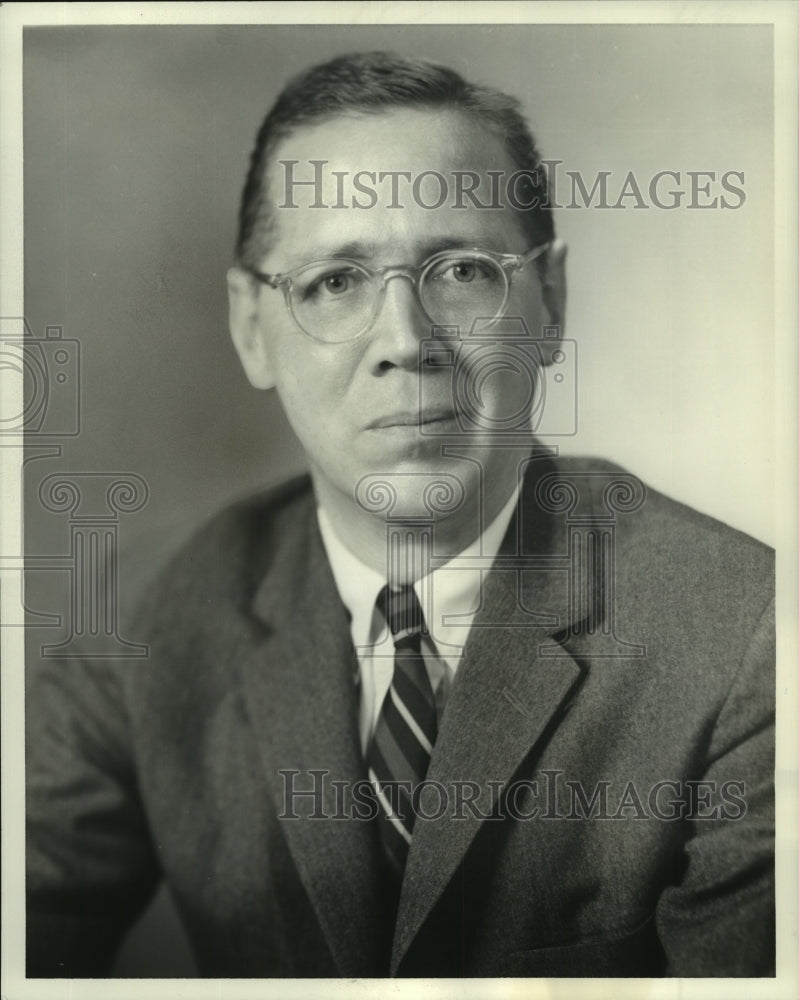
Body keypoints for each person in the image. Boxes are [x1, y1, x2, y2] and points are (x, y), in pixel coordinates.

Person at [26, 51, 774, 979]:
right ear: (252, 327)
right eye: (334, 282)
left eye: (460, 270)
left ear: (549, 301)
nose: (406, 343)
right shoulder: (138, 619)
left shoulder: (746, 635)